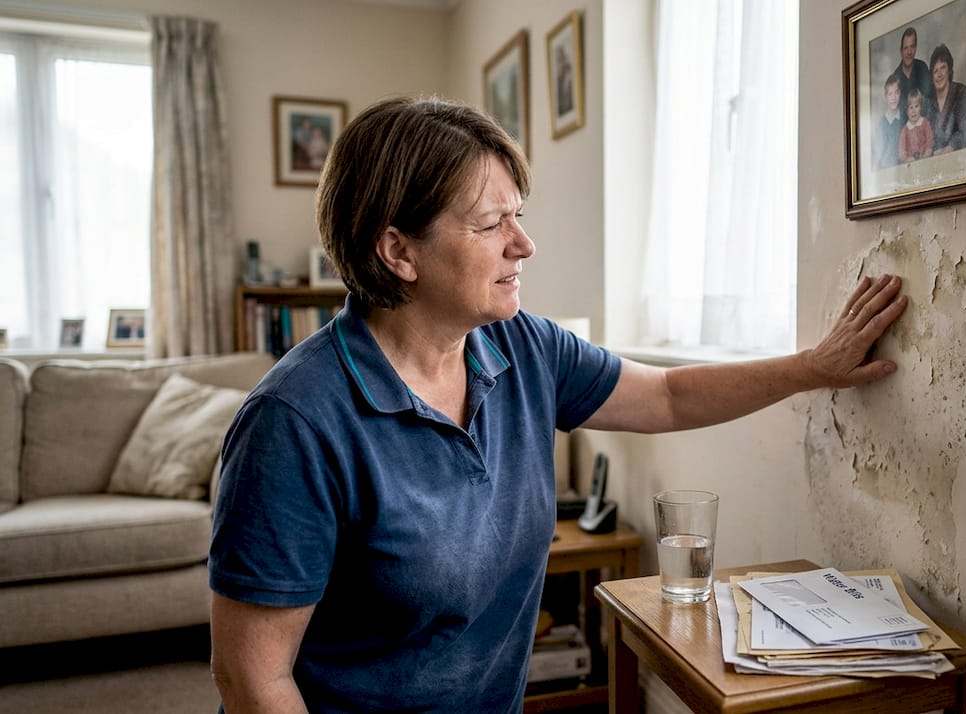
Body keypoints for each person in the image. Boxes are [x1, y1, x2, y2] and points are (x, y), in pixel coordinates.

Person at [208, 95, 909, 714]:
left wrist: (812, 368)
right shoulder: (294, 422)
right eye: (491, 224)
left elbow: (666, 396)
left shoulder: (524, 346)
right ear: (399, 251)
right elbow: (252, 680)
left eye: (520, 215)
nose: (525, 244)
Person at [928, 43, 966, 154]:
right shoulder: (928, 102)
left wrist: (950, 147)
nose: (939, 74)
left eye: (943, 68)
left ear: (949, 70)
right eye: (935, 71)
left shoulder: (960, 92)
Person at [889, 27, 934, 124]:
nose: (909, 52)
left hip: (924, 125)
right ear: (901, 50)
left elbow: (931, 101)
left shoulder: (922, 68)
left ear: (916, 48)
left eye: (912, 47)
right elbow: (895, 111)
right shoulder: (895, 77)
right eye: (906, 48)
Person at [873, 75, 904, 168]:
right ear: (885, 97)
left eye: (896, 93)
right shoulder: (881, 125)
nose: (893, 98)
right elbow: (878, 155)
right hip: (888, 170)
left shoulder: (905, 118)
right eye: (890, 94)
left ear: (900, 93)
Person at [898, 88, 934, 162]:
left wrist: (927, 152)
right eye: (911, 107)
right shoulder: (905, 130)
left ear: (921, 107)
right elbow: (902, 148)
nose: (913, 110)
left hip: (925, 158)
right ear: (907, 112)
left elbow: (930, 139)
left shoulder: (925, 123)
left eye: (916, 106)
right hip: (911, 162)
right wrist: (906, 158)